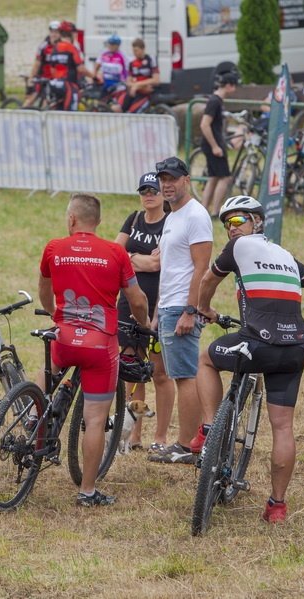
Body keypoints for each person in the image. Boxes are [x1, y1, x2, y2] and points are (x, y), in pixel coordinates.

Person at [194, 195, 304, 523]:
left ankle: (211, 428)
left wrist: (204, 309)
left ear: (257, 222)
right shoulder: (284, 254)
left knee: (205, 361)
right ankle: (277, 506)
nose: (232, 229)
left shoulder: (240, 246)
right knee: (283, 427)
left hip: (257, 344)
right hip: (294, 347)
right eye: (227, 224)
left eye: (238, 221)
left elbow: (208, 280)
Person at [39, 193, 150, 506]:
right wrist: (144, 323)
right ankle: (87, 491)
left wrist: (52, 312)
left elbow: (44, 290)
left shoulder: (54, 247)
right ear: (98, 222)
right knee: (96, 420)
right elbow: (137, 299)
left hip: (63, 339)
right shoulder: (115, 252)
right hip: (100, 346)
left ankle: (32, 415)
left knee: (44, 377)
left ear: (71, 220)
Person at [147, 156, 213, 465]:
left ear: (187, 179)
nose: (166, 184)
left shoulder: (195, 215)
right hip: (169, 306)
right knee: (179, 374)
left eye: (172, 178)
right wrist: (159, 308)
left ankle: (188, 445)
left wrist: (191, 309)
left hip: (182, 308)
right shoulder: (173, 215)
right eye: (163, 178)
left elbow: (202, 268)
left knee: (185, 376)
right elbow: (171, 268)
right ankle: (190, 441)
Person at [113, 172, 173, 451]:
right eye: (144, 190)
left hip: (160, 304)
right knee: (131, 369)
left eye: (154, 190)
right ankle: (132, 434)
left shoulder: (171, 221)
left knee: (160, 373)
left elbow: (161, 265)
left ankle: (160, 437)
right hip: (129, 303)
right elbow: (115, 253)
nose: (148, 194)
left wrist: (132, 260)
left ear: (163, 193)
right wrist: (141, 260)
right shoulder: (134, 218)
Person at [199, 71, 239, 217]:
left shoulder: (216, 101)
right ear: (228, 85)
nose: (234, 91)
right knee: (225, 178)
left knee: (213, 177)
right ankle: (215, 211)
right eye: (234, 86)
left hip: (212, 144)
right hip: (213, 145)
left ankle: (203, 210)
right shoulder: (215, 101)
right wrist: (215, 146)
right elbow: (205, 124)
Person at [43, 20, 91, 111]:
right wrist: (94, 77)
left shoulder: (55, 48)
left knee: (58, 111)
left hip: (56, 83)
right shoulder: (72, 47)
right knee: (70, 114)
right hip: (68, 84)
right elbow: (80, 68)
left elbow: (53, 69)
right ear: (72, 34)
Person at [117, 38, 161, 114]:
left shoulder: (151, 60)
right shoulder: (132, 63)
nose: (134, 53)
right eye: (133, 50)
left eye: (136, 50)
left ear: (143, 49)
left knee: (131, 113)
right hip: (134, 91)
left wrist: (138, 85)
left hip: (146, 94)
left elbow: (156, 80)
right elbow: (128, 82)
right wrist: (136, 86)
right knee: (116, 109)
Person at [23, 21, 61, 108]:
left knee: (49, 103)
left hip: (55, 79)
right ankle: (20, 113)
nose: (54, 35)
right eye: (52, 32)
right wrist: (31, 79)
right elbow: (37, 64)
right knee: (32, 98)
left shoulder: (63, 46)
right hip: (42, 78)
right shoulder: (44, 46)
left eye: (56, 32)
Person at [93, 34, 127, 100]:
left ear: (118, 46)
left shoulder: (122, 56)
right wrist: (94, 77)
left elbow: (128, 70)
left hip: (117, 84)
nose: (110, 46)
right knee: (101, 102)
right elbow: (96, 67)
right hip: (105, 83)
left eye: (113, 44)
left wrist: (125, 81)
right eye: (109, 44)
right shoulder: (104, 54)